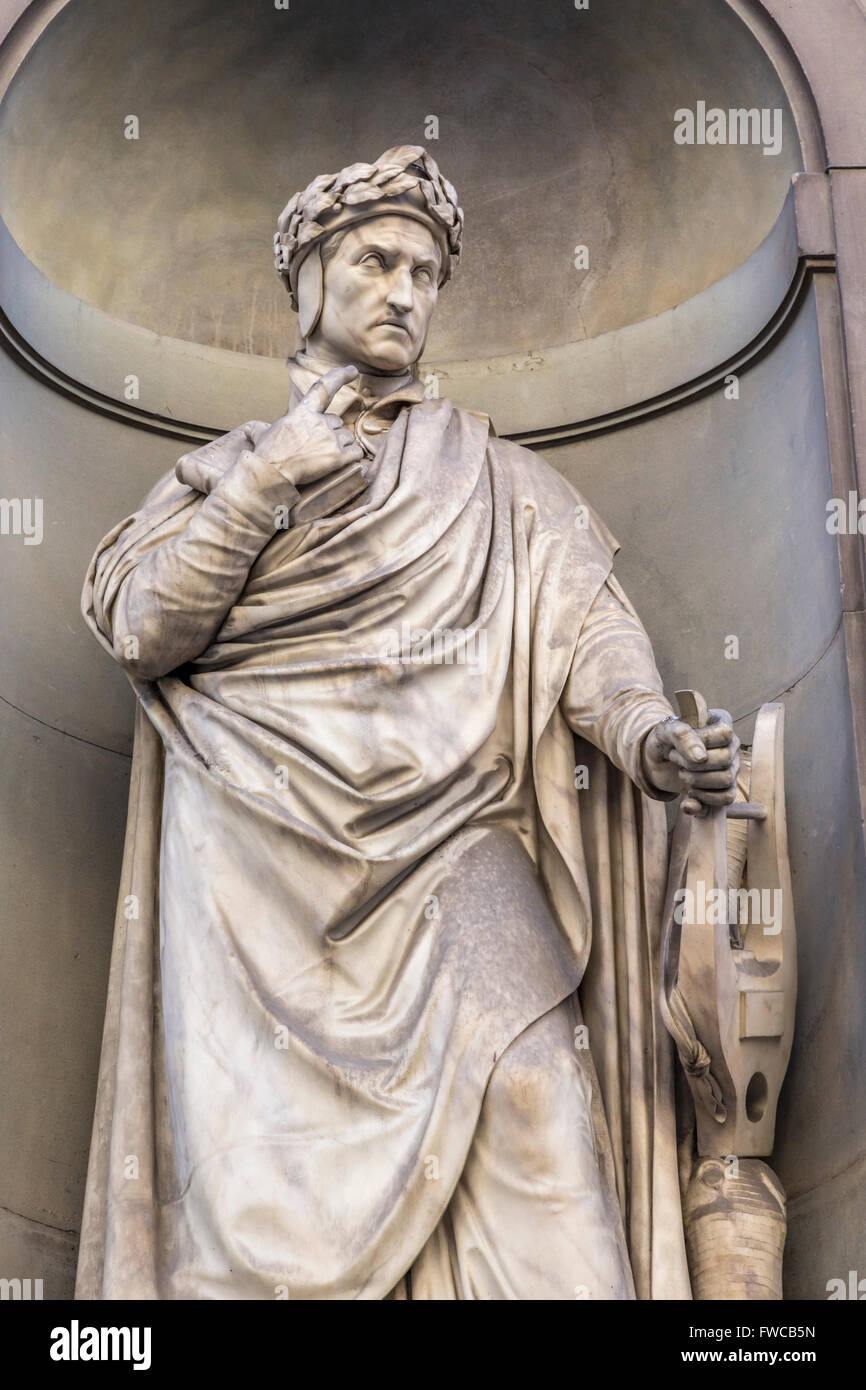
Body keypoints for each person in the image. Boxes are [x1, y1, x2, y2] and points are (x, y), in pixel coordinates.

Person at [77, 146, 739, 1300]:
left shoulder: (494, 480)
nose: (404, 291)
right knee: (257, 1186)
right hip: (256, 862)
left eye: (426, 272)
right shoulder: (219, 473)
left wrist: (643, 734)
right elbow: (144, 627)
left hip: (458, 850)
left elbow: (578, 622)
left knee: (538, 1092)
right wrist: (266, 480)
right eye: (376, 260)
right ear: (310, 282)